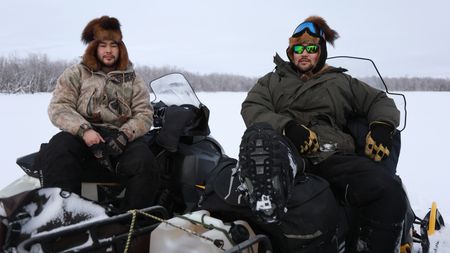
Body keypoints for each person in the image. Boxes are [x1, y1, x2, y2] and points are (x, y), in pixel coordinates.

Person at [239, 16, 407, 253]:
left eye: (311, 48)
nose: (304, 53)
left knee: (388, 192)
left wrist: (382, 126)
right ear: (290, 52)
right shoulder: (272, 81)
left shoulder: (341, 81)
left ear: (321, 52)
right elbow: (253, 107)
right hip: (285, 151)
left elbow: (379, 100)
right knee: (261, 137)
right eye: (298, 48)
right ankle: (265, 205)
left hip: (331, 156)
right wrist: (288, 127)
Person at [33, 16, 160, 211]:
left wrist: (125, 135)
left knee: (145, 161)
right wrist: (84, 130)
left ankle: (132, 224)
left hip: (118, 140)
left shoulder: (134, 80)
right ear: (94, 47)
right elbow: (59, 107)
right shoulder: (76, 73)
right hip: (82, 137)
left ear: (121, 48)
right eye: (102, 45)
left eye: (113, 45)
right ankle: (60, 214)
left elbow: (144, 114)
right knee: (59, 147)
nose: (108, 50)